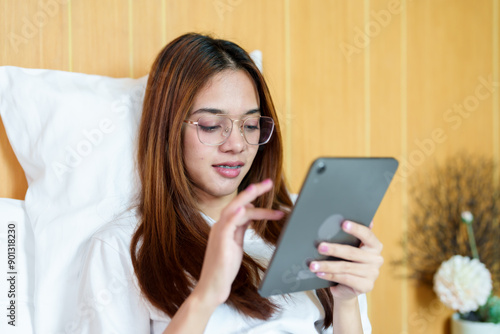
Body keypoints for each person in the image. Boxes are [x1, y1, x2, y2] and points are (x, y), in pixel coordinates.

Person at [76, 33, 383, 334]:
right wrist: (206, 295)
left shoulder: (302, 229)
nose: (236, 144)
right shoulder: (122, 249)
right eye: (211, 126)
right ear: (168, 131)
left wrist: (346, 301)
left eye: (250, 125)